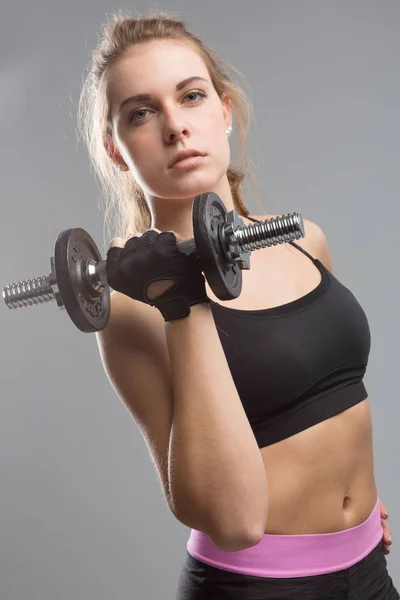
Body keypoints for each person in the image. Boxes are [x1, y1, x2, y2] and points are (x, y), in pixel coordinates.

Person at [77, 9, 398, 599]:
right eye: (141, 113)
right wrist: (180, 302)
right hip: (258, 588)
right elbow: (233, 522)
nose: (176, 126)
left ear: (223, 111)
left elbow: (329, 400)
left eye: (191, 96)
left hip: (369, 571)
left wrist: (353, 513)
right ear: (117, 150)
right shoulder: (130, 311)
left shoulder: (302, 238)